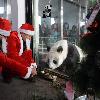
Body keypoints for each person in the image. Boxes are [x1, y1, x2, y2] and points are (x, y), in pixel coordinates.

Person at [0, 18, 37, 82]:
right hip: (7, 64)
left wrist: (32, 65)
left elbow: (28, 56)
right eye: (29, 36)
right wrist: (27, 69)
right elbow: (11, 58)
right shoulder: (13, 37)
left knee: (28, 52)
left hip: (9, 62)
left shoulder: (24, 41)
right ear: (23, 33)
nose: (30, 39)